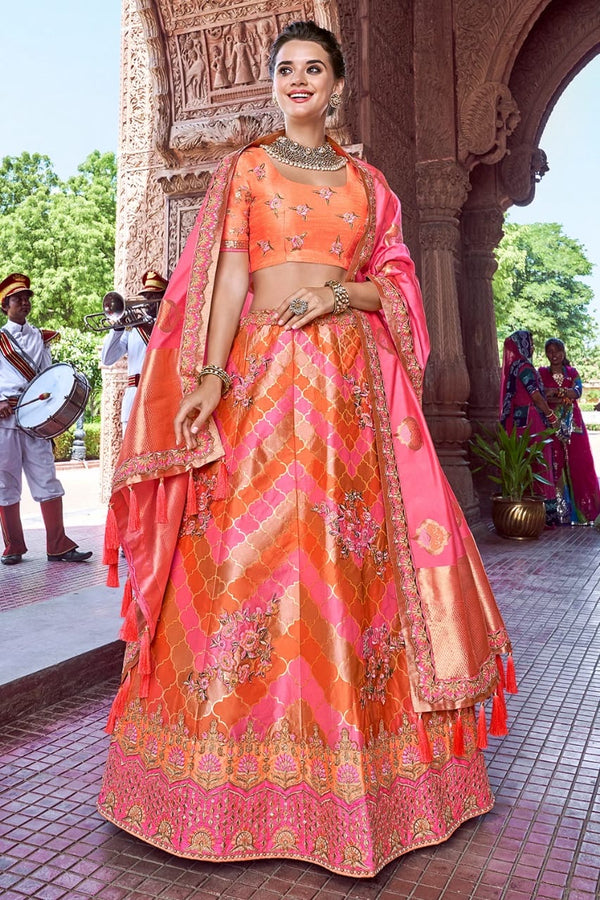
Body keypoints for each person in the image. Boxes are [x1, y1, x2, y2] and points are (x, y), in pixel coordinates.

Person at [98, 21, 515, 877]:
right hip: (260, 380)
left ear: (336, 85)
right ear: (274, 81)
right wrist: (210, 373)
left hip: (348, 391)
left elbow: (397, 281)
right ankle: (217, 785)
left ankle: (365, 779)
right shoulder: (246, 168)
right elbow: (229, 275)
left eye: (312, 69)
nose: (297, 80)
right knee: (246, 559)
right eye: (284, 68)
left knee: (346, 559)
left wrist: (341, 295)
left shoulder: (371, 186)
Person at [0, 273, 92, 565]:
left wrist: (53, 413)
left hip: (36, 420)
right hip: (5, 418)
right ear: (5, 305)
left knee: (47, 479)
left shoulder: (41, 337)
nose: (24, 303)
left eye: (27, 298)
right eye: (18, 299)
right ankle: (13, 546)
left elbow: (48, 379)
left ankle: (59, 546)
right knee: (5, 482)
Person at [499, 329, 560, 523]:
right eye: (530, 343)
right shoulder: (525, 367)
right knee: (540, 463)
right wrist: (550, 415)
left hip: (518, 422)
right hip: (532, 420)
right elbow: (534, 395)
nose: (533, 347)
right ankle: (543, 515)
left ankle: (524, 513)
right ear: (523, 345)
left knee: (524, 463)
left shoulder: (514, 367)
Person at [538, 338, 600, 524]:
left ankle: (585, 513)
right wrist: (565, 392)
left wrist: (555, 392)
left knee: (579, 462)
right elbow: (541, 393)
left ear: (563, 352)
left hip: (573, 424)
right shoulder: (541, 372)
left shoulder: (572, 372)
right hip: (550, 423)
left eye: (557, 351)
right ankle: (558, 513)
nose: (554, 355)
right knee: (554, 463)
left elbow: (578, 392)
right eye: (550, 351)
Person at [101, 271, 168, 434]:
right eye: (146, 297)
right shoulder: (132, 329)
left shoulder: (170, 326)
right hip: (134, 397)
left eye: (154, 297)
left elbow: (165, 349)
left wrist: (145, 326)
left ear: (164, 298)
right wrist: (117, 329)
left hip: (160, 397)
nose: (148, 303)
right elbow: (107, 359)